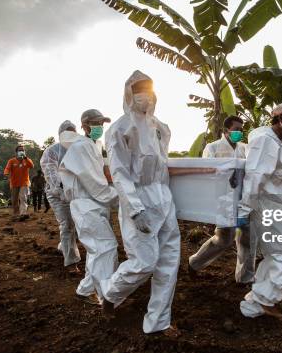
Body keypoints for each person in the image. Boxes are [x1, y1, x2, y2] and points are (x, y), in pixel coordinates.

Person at [100, 70, 180, 334]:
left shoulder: (159, 126)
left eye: (148, 88)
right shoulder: (120, 129)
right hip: (139, 198)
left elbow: (163, 163)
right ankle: (111, 293)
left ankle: (158, 321)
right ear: (129, 94)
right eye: (138, 90)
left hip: (163, 198)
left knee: (168, 262)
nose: (144, 95)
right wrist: (135, 210)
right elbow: (120, 174)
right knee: (145, 262)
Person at [238, 103, 282, 319]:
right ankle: (262, 300)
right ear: (281, 118)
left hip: (275, 206)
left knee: (274, 255)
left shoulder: (279, 141)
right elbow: (255, 177)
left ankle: (254, 303)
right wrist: (243, 210)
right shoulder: (266, 141)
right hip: (267, 206)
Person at [58, 110, 118, 310]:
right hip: (86, 203)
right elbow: (94, 183)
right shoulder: (81, 147)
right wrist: (121, 199)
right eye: (94, 123)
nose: (99, 126)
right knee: (106, 247)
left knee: (96, 249)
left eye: (101, 123)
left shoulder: (92, 146)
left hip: (93, 204)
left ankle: (85, 290)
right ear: (84, 126)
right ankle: (106, 296)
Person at [188, 115, 256, 284]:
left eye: (241, 130)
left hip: (243, 200)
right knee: (224, 239)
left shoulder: (244, 148)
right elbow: (208, 170)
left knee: (247, 237)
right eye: (236, 129)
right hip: (222, 200)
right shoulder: (213, 148)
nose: (239, 132)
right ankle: (195, 263)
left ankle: (244, 278)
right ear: (226, 131)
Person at [40, 120, 81, 269]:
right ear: (60, 134)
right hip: (56, 193)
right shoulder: (52, 151)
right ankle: (71, 262)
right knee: (67, 224)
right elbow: (51, 174)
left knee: (76, 224)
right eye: (67, 131)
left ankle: (64, 246)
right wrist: (62, 191)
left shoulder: (78, 150)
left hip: (75, 192)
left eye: (73, 131)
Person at [3, 144, 34, 221]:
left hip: (24, 182)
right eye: (20, 150)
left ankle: (23, 213)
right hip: (14, 183)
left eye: (23, 150)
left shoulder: (27, 160)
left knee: (23, 198)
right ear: (16, 152)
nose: (21, 151)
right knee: (14, 200)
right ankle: (16, 214)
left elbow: (32, 166)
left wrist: (26, 158)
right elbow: (7, 169)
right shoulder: (11, 161)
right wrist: (6, 173)